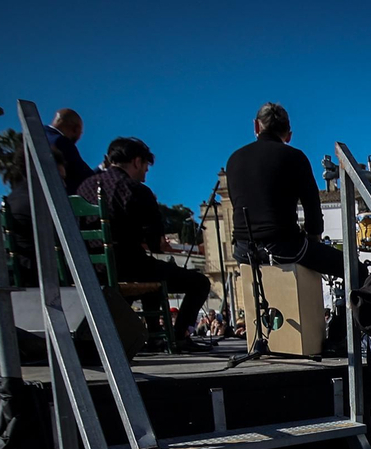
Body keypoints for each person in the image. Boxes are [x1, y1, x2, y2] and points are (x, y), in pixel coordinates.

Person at [77, 138, 212, 350]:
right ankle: (178, 337)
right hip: (130, 268)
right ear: (137, 161)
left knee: (151, 272)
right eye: (146, 167)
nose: (146, 174)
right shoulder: (135, 190)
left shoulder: (84, 187)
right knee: (199, 282)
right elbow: (156, 244)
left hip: (91, 271)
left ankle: (153, 336)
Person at [225, 103, 346, 278]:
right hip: (285, 248)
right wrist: (314, 240)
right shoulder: (294, 157)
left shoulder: (233, 160)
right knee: (355, 269)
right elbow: (312, 209)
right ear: (288, 135)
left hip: (244, 252)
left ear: (256, 126)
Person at [45, 108, 95, 194]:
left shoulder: (38, 136)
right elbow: (85, 177)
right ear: (76, 129)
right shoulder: (62, 142)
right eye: (81, 132)